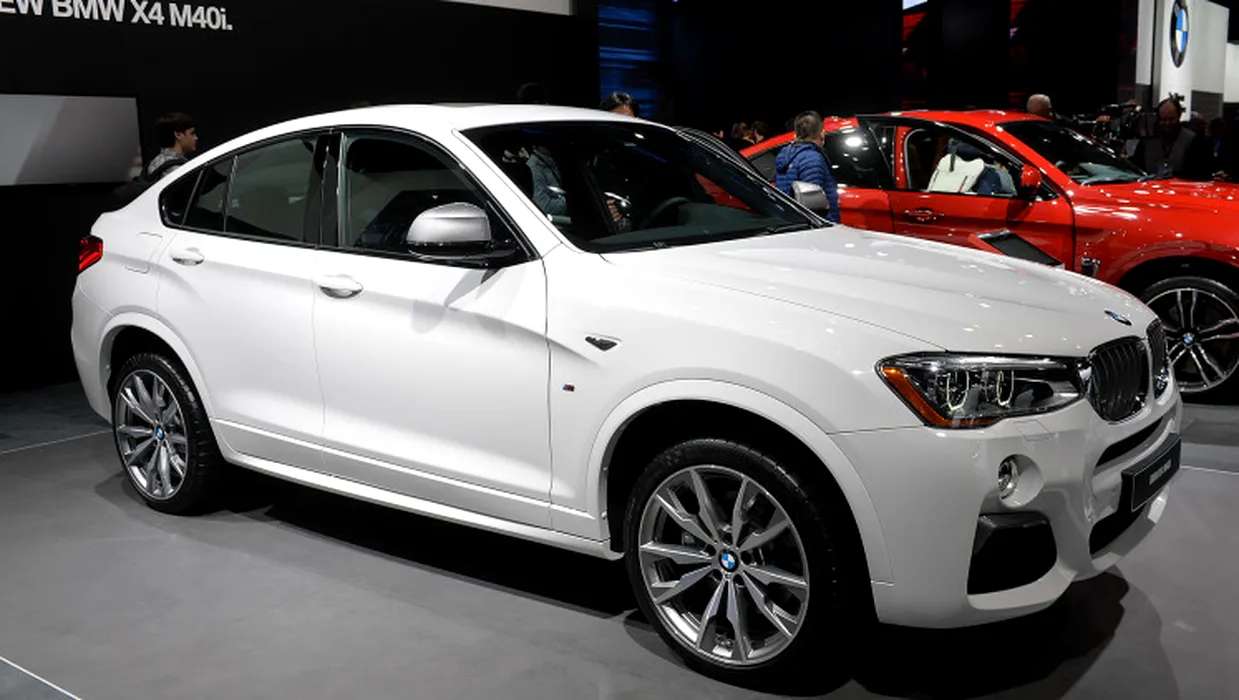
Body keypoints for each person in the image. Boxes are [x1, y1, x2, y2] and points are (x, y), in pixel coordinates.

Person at [774, 111, 840, 223]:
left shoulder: (785, 154)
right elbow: (814, 208)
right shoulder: (812, 158)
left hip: (791, 222)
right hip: (814, 228)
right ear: (822, 134)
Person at [1132, 97, 1213, 181]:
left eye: (1171, 119)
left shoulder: (1193, 141)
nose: (1167, 123)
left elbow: (1200, 174)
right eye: (1163, 120)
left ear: (1179, 116)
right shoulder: (1147, 142)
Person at [146, 112, 197, 180]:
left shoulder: (155, 162)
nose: (196, 138)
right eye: (192, 133)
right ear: (178, 135)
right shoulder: (176, 170)